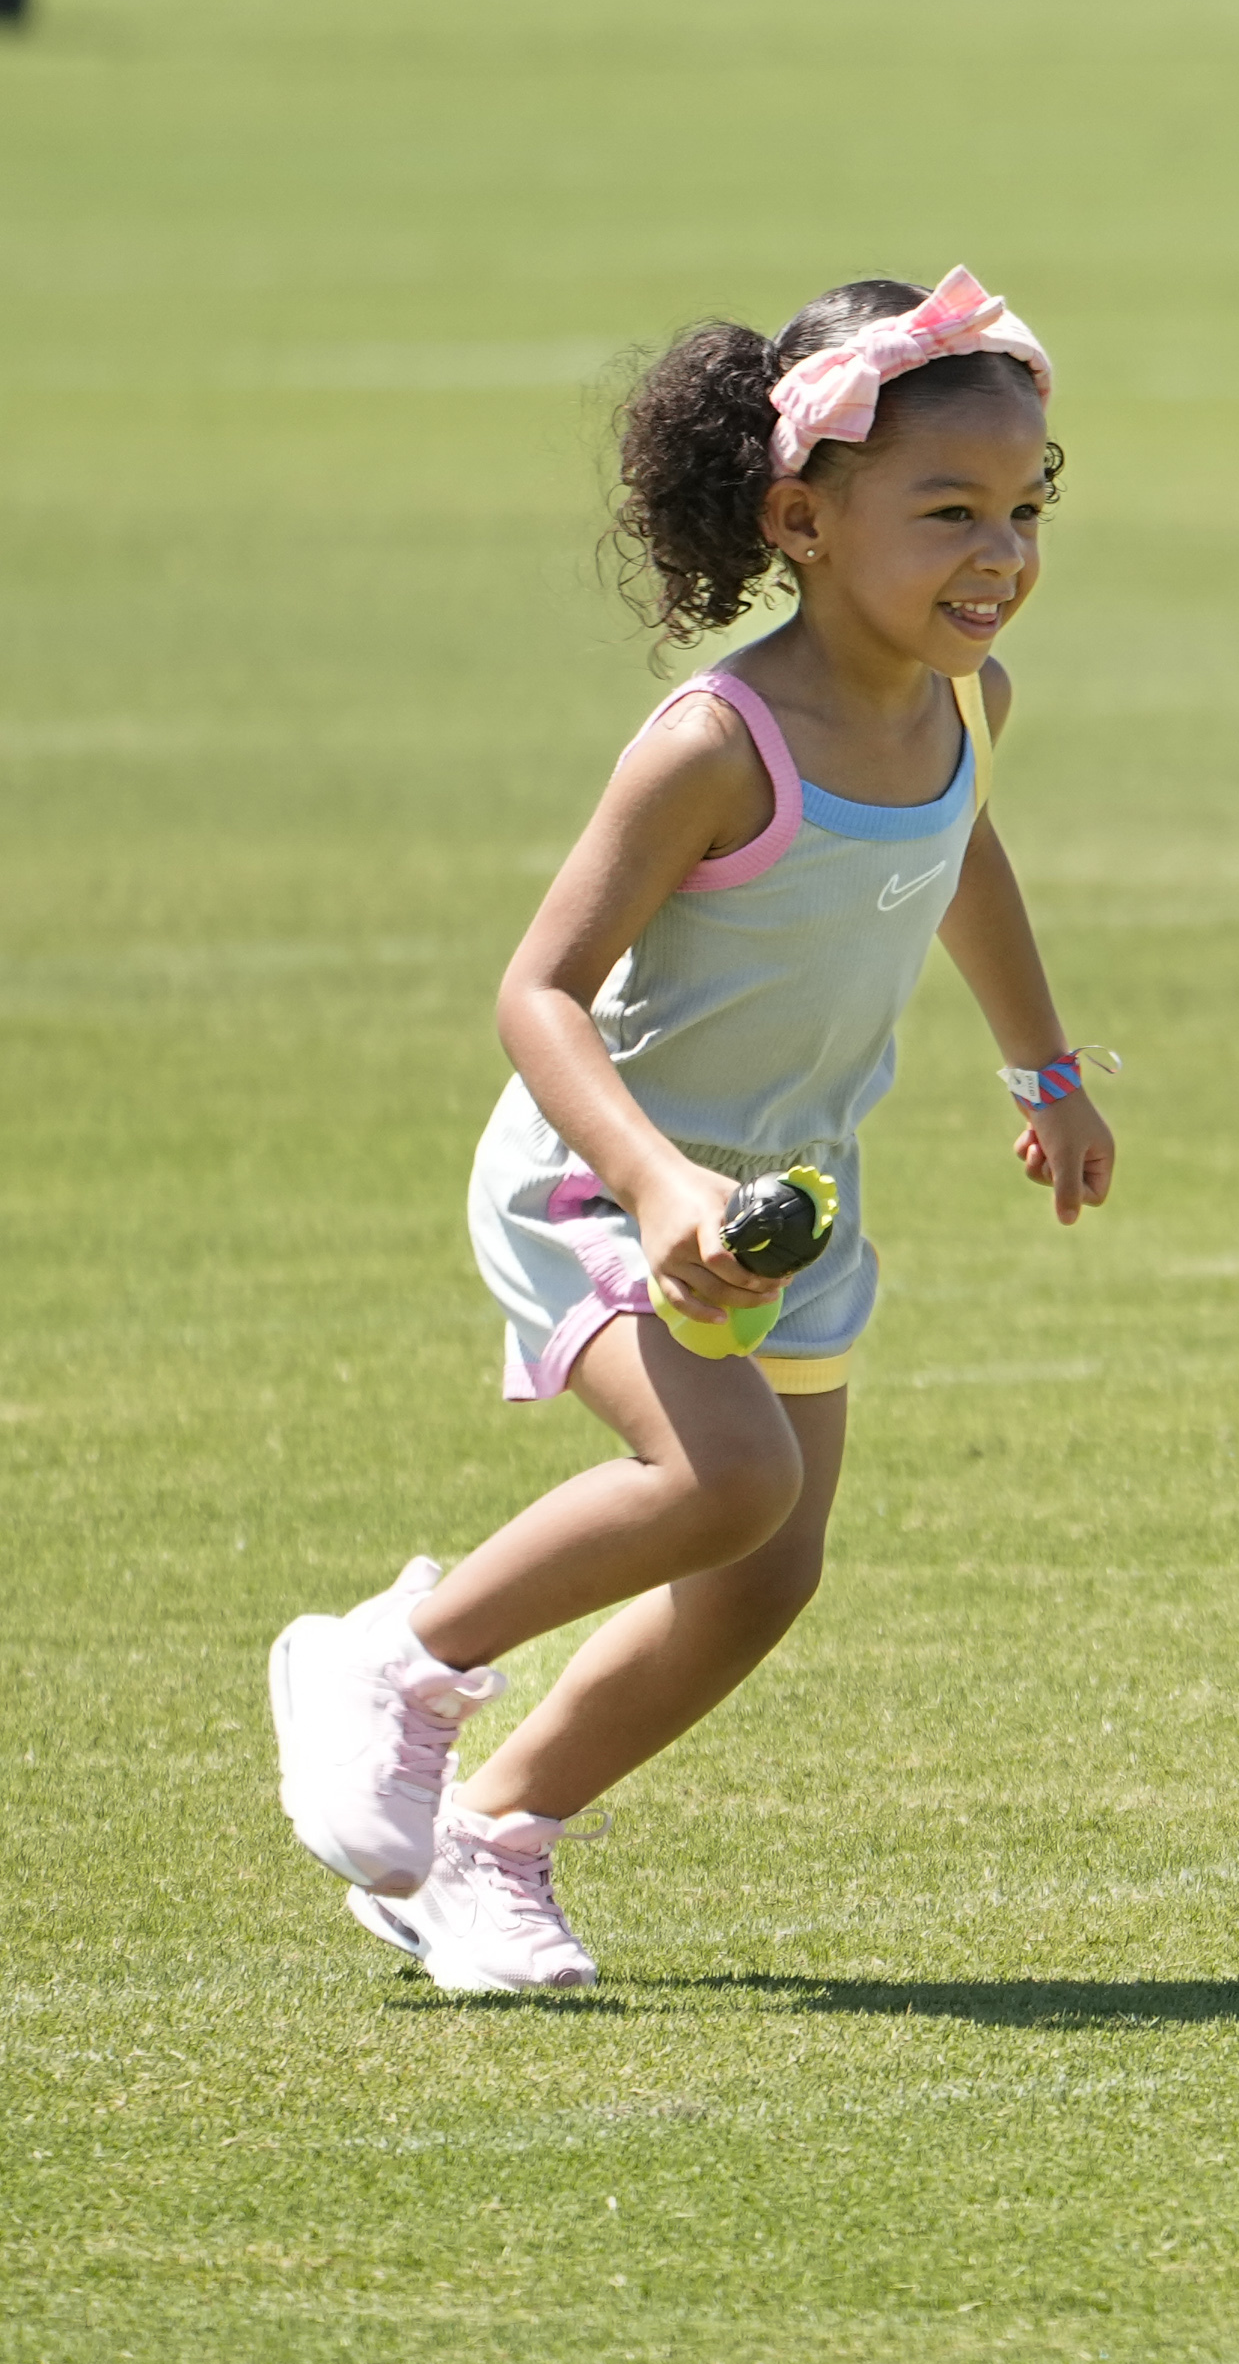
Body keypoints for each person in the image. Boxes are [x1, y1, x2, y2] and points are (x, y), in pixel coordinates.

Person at [263, 271, 1120, 1989]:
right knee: (725, 1475)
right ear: (802, 519)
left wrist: (1044, 1065)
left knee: (764, 1566)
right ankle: (394, 1661)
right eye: (949, 510)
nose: (1001, 551)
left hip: (787, 1189)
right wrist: (655, 1182)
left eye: (1026, 507)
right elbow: (537, 992)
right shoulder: (715, 743)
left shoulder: (966, 706)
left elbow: (962, 857)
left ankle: (491, 1846)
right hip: (606, 1170)